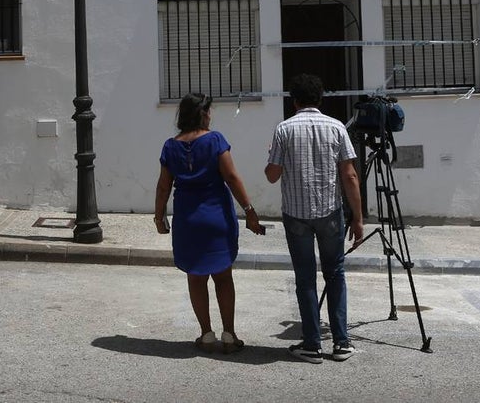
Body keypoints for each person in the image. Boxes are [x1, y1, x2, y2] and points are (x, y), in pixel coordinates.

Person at [154, 93, 264, 354]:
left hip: (187, 220)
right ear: (203, 114)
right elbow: (232, 177)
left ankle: (206, 334)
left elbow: (163, 186)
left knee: (196, 277)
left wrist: (159, 216)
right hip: (216, 217)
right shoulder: (215, 140)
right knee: (223, 277)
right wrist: (249, 210)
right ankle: (229, 334)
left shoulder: (170, 146)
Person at [266, 73, 364, 363]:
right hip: (329, 212)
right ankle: (342, 343)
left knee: (305, 279)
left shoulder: (283, 129)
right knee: (335, 274)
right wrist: (357, 218)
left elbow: (272, 176)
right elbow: (349, 175)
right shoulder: (336, 128)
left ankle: (311, 344)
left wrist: (272, 156)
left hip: (296, 214)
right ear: (320, 98)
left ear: (293, 100)